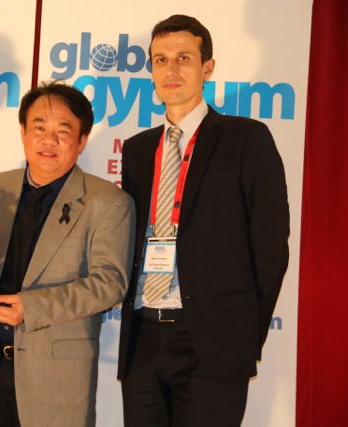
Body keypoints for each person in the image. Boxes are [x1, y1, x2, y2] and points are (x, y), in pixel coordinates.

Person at [117, 14, 290, 427]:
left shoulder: (246, 139)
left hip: (214, 343)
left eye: (183, 58)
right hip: (143, 338)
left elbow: (270, 248)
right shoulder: (137, 150)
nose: (171, 70)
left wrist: (242, 334)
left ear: (207, 67)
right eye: (161, 60)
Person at [0, 81, 135, 427]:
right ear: (23, 132)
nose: (48, 140)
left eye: (62, 131)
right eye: (38, 128)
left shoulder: (108, 202)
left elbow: (111, 283)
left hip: (56, 381)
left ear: (82, 140)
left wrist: (32, 308)